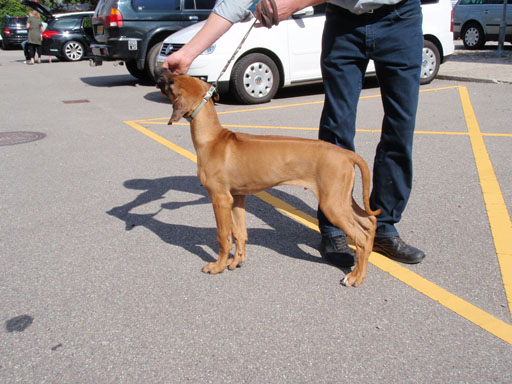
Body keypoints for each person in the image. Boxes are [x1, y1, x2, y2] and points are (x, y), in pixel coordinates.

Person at [163, 0, 426, 267]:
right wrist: (189, 52)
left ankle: (384, 226)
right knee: (337, 125)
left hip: (399, 17)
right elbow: (234, 2)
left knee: (400, 126)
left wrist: (297, 2)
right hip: (344, 21)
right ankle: (334, 228)